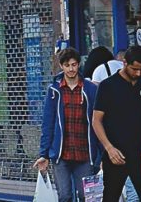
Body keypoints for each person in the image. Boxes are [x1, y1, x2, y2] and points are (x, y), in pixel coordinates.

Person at [34, 47, 102, 202]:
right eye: (67, 65)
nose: (71, 69)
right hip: (61, 154)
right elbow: (48, 123)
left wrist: (102, 153)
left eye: (74, 65)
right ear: (61, 66)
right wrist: (44, 154)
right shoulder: (54, 90)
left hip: (85, 152)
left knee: (86, 196)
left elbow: (97, 122)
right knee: (65, 196)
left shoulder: (90, 89)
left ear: (79, 65)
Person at [92, 45, 141, 202]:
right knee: (110, 197)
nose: (137, 73)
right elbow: (96, 121)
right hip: (115, 153)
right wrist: (109, 148)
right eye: (134, 69)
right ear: (124, 63)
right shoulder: (107, 86)